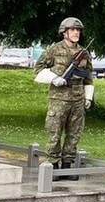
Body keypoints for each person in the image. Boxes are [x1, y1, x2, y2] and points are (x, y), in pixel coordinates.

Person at [33, 17, 94, 174]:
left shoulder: (84, 53)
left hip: (78, 99)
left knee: (74, 133)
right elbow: (38, 70)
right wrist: (54, 79)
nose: (76, 33)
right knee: (54, 132)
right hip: (59, 99)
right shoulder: (54, 50)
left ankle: (67, 165)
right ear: (64, 32)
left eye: (78, 30)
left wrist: (88, 97)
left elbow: (88, 77)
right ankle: (53, 164)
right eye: (73, 30)